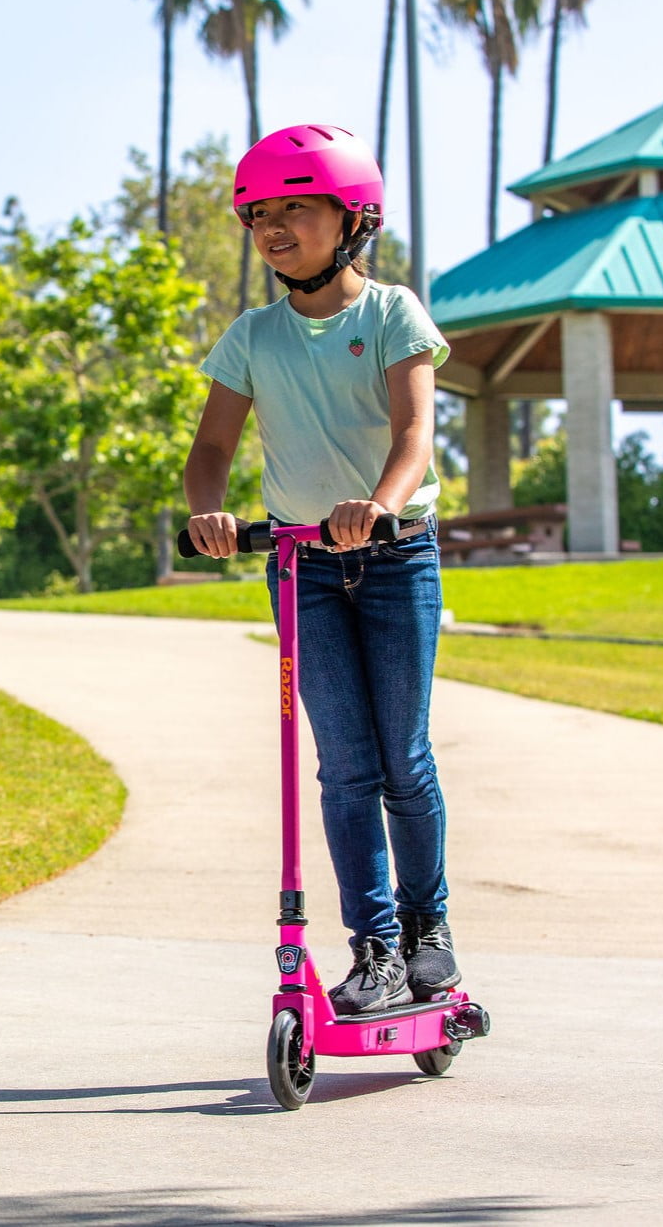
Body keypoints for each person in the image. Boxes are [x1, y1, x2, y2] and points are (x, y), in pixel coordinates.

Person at [183, 124, 458, 1015]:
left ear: (352, 220)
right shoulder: (252, 335)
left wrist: (376, 501)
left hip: (392, 556)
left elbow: (414, 431)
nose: (272, 226)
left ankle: (428, 932)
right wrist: (207, 512)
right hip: (300, 563)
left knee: (402, 759)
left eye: (295, 208)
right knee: (343, 768)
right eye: (258, 212)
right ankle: (373, 949)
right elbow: (211, 448)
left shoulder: (391, 314)